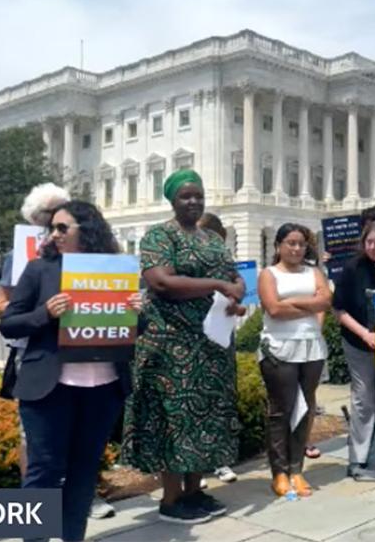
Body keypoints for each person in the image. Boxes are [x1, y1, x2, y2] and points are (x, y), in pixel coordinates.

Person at [0, 201, 142, 541]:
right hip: (49, 388)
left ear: (87, 230)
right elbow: (10, 325)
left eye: (64, 228)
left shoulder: (116, 271)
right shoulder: (39, 269)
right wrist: (45, 313)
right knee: (43, 472)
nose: (55, 234)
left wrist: (138, 312)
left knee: (83, 473)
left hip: (103, 388)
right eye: (53, 228)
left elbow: (133, 330)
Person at [122, 170, 245, 524]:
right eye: (185, 196)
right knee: (172, 419)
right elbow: (161, 282)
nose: (193, 201)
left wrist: (234, 291)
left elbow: (233, 274)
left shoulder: (212, 239)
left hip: (209, 344)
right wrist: (220, 284)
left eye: (198, 195)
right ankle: (171, 498)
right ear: (173, 201)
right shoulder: (159, 236)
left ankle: (194, 490)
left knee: (203, 418)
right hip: (169, 344)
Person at [0, 182, 71, 479]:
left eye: (59, 211)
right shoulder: (19, 254)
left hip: (76, 348)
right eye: (47, 213)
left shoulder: (81, 252)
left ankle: (78, 493)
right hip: (33, 349)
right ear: (33, 218)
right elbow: (2, 304)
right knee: (34, 434)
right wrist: (34, 311)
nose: (53, 219)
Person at [258, 223, 332, 497]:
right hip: (279, 347)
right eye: (290, 242)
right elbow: (274, 309)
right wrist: (308, 304)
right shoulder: (269, 274)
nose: (296, 248)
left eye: (301, 243)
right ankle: (279, 472)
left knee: (305, 408)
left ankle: (296, 468)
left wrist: (296, 304)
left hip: (311, 347)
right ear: (278, 246)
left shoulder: (314, 272)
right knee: (281, 410)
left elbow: (326, 302)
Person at [332, 219, 375, 478]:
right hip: (357, 343)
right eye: (369, 242)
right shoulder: (352, 268)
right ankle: (359, 457)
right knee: (363, 400)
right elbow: (339, 309)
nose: (372, 247)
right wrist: (365, 334)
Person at [195, 212, 244, 485]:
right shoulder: (184, 264)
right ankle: (195, 465)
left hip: (221, 338)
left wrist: (237, 303)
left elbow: (239, 288)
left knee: (219, 399)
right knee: (197, 400)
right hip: (194, 340)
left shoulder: (225, 265)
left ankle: (218, 460)